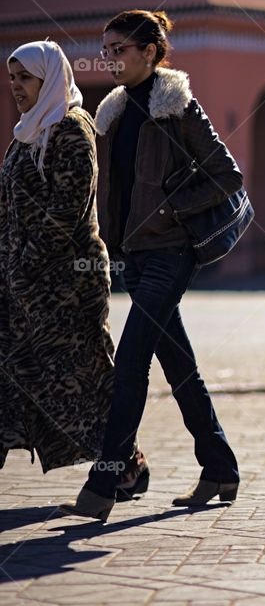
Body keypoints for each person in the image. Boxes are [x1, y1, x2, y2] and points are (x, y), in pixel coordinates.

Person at [60, 10, 241, 521]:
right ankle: (220, 466)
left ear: (150, 51)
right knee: (179, 366)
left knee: (131, 360)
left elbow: (227, 175)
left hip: (171, 252)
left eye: (119, 49)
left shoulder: (177, 106)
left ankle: (107, 474)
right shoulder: (114, 110)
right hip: (135, 259)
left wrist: (172, 210)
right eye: (106, 50)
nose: (110, 59)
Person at [0, 41, 151, 497]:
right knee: (9, 377)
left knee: (84, 382)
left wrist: (25, 266)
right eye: (12, 78)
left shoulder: (70, 130)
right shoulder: (26, 133)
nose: (16, 87)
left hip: (65, 286)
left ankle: (126, 464)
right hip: (17, 286)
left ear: (48, 79)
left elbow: (67, 211)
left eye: (25, 77)